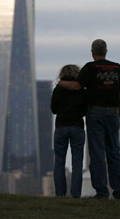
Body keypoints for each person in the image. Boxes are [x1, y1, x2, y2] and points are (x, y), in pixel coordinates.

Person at [59, 39, 120, 199]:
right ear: (106, 51)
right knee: (114, 153)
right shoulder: (117, 68)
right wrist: (118, 114)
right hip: (113, 113)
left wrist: (61, 82)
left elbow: (76, 86)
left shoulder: (90, 68)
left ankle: (102, 192)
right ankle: (119, 191)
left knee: (97, 153)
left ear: (92, 51)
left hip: (95, 113)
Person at [51, 64, 86, 198]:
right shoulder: (81, 89)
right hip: (77, 127)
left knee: (59, 161)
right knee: (77, 163)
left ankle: (60, 194)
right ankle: (76, 194)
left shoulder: (58, 89)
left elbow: (53, 109)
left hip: (61, 127)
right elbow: (85, 109)